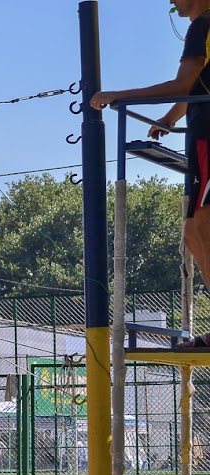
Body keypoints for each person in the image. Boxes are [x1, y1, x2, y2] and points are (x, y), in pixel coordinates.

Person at [91, 0, 210, 347]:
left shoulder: (202, 25)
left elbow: (181, 84)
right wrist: (171, 118)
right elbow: (194, 88)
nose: (170, 1)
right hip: (200, 133)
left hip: (208, 135)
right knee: (192, 231)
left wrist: (118, 96)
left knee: (204, 223)